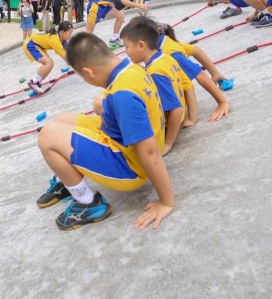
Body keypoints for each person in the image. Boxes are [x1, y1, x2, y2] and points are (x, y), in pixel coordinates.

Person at [35, 33, 174, 231]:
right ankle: (65, 180)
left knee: (47, 136)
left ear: (88, 72)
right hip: (121, 138)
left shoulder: (123, 96)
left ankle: (88, 204)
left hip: (130, 168)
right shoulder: (131, 69)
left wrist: (166, 202)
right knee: (61, 119)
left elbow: (150, 154)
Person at [121, 17, 186, 155]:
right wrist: (192, 116)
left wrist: (167, 144)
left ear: (140, 45)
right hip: (177, 121)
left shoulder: (154, 72)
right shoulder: (166, 58)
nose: (125, 52)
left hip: (169, 127)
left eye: (126, 47)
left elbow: (176, 110)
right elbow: (188, 86)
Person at [157, 22, 230, 126]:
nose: (126, 52)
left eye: (128, 46)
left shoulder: (170, 54)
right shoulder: (164, 40)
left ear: (142, 45)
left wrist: (222, 102)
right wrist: (215, 73)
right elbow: (196, 50)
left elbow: (199, 75)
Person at [84, 0, 150, 45]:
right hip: (95, 7)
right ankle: (83, 48)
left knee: (120, 16)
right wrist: (140, 5)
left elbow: (110, 2)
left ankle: (114, 39)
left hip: (104, 6)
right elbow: (124, 1)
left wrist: (117, 13)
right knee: (89, 32)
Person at [24, 21, 74, 94]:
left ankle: (37, 82)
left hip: (37, 45)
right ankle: (34, 83)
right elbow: (65, 56)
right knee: (49, 63)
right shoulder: (55, 39)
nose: (70, 35)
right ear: (63, 32)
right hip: (31, 45)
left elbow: (68, 51)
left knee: (49, 63)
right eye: (70, 33)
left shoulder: (60, 36)